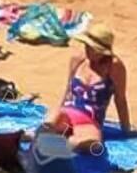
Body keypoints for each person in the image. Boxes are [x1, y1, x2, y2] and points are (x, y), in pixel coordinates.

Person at [44, 23, 131, 157]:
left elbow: (120, 99)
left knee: (94, 145)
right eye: (87, 46)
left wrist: (126, 131)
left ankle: (59, 145)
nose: (87, 49)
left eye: (92, 48)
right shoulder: (78, 59)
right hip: (67, 114)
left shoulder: (114, 67)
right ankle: (40, 140)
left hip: (88, 121)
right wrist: (58, 110)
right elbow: (68, 91)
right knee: (49, 124)